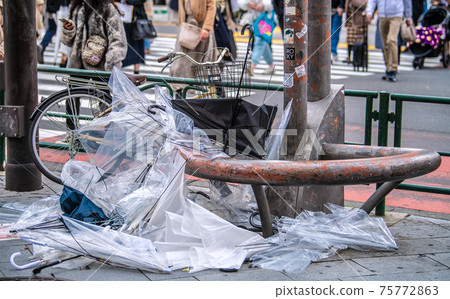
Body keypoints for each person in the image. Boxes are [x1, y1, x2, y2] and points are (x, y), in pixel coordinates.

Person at [169, 0, 217, 96]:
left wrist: (206, 27)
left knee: (206, 61)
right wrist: (181, 26)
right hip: (187, 25)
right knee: (180, 61)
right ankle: (179, 91)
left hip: (202, 25)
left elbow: (211, 6)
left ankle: (213, 90)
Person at [365, 0, 413, 82]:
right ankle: (388, 67)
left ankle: (393, 68)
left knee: (391, 40)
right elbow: (372, 1)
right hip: (382, 15)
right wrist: (369, 11)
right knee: (385, 43)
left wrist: (408, 16)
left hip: (396, 15)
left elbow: (407, 2)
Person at [238, 0, 275, 75]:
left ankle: (252, 65)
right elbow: (240, 3)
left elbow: (273, 3)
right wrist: (248, 3)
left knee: (260, 41)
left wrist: (263, 5)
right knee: (264, 44)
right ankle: (272, 66)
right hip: (254, 19)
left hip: (265, 19)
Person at [120, 0, 147, 74]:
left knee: (137, 45)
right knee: (120, 43)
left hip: (136, 18)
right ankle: (118, 67)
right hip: (121, 16)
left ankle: (136, 70)